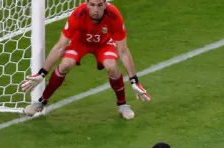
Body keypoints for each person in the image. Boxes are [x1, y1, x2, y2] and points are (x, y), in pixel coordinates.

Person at [20, 0, 150, 119]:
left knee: (111, 66)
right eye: (92, 4)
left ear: (105, 4)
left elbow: (123, 51)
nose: (96, 9)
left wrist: (134, 81)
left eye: (99, 5)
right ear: (86, 3)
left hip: (104, 44)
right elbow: (60, 46)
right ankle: (41, 102)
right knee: (65, 64)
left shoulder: (114, 15)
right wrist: (42, 73)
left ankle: (122, 105)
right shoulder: (78, 14)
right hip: (80, 42)